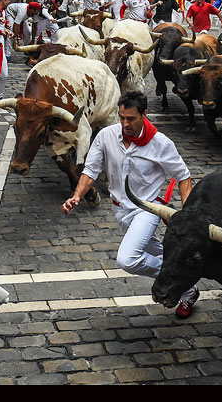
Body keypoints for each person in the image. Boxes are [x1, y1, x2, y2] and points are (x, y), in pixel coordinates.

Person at [61, 91, 200, 319]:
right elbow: (91, 170)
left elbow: (184, 177)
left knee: (128, 258)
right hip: (120, 209)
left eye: (131, 119)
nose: (125, 123)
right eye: (121, 117)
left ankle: (178, 279)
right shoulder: (106, 136)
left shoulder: (161, 144)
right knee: (160, 252)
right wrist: (77, 196)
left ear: (144, 114)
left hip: (148, 208)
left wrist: (188, 216)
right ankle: (189, 291)